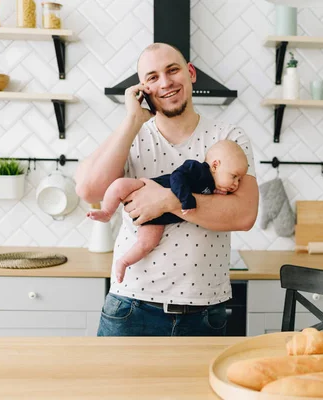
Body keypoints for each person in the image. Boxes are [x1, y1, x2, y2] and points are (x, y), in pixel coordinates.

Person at [74, 42, 259, 337]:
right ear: (143, 89)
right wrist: (133, 119)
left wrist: (167, 200)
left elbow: (244, 214)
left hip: (205, 311)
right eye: (152, 77)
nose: (165, 82)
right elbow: (90, 191)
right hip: (131, 307)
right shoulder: (131, 135)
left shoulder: (228, 138)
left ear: (190, 73)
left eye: (172, 70)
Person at [87, 139, 249, 284]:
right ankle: (107, 212)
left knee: (147, 244)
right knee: (119, 185)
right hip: (146, 188)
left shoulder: (215, 188)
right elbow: (177, 177)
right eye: (234, 176)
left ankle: (123, 262)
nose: (236, 184)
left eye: (239, 180)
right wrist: (185, 199)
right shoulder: (197, 169)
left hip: (159, 218)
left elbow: (225, 208)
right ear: (215, 165)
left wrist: (220, 193)